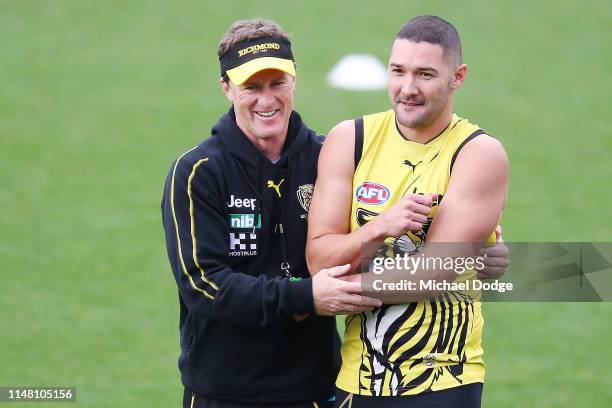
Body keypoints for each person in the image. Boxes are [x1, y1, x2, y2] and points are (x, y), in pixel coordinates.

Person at [162, 17, 508, 408]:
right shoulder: (198, 172)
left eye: (277, 83)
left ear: (294, 80)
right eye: (251, 87)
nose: (266, 99)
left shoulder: (325, 155)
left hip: (317, 388)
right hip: (225, 392)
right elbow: (205, 286)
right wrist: (307, 296)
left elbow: (376, 257)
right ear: (226, 88)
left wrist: (470, 255)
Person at [306, 15, 509, 408]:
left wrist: (332, 291)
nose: (408, 89)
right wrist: (377, 228)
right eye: (398, 71)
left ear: (458, 77)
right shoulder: (350, 139)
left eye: (426, 74)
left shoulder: (478, 153)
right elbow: (318, 259)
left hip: (443, 378)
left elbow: (431, 275)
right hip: (357, 379)